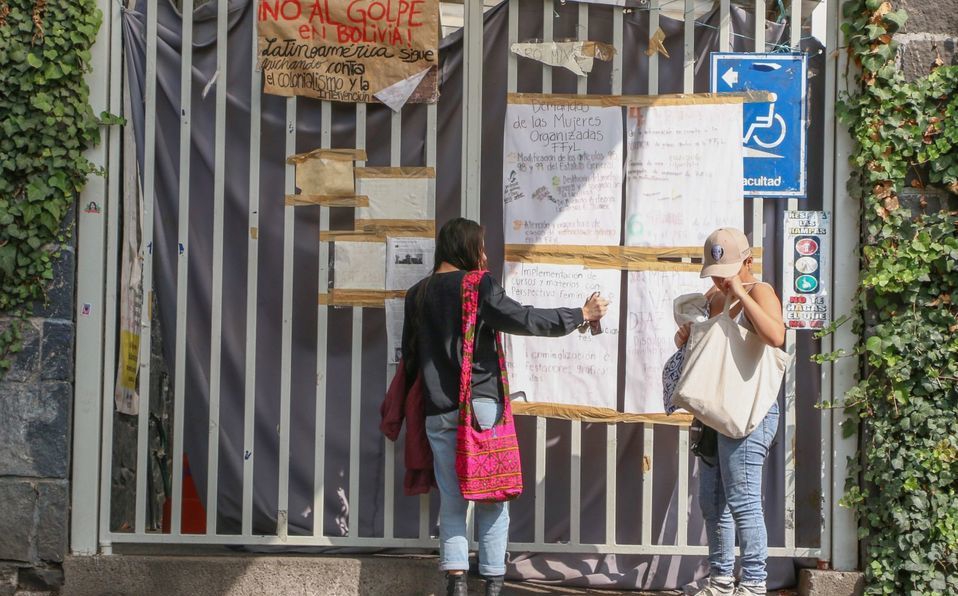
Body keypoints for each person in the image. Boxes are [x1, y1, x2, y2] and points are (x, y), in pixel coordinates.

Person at [401, 218, 609, 596]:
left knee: (451, 501)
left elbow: (411, 359)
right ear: (465, 248)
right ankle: (493, 585)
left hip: (436, 411)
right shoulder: (477, 285)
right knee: (493, 499)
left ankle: (457, 586)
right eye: (479, 247)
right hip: (479, 408)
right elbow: (522, 318)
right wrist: (579, 315)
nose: (483, 255)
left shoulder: (418, 293)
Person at [674, 228, 785, 596]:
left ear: (748, 263)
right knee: (712, 500)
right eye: (716, 274)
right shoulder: (712, 296)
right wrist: (686, 338)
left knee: (743, 498)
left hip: (750, 410)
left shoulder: (760, 291)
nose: (720, 280)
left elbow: (776, 336)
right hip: (715, 409)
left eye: (727, 272)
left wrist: (740, 293)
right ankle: (720, 579)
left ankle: (753, 582)